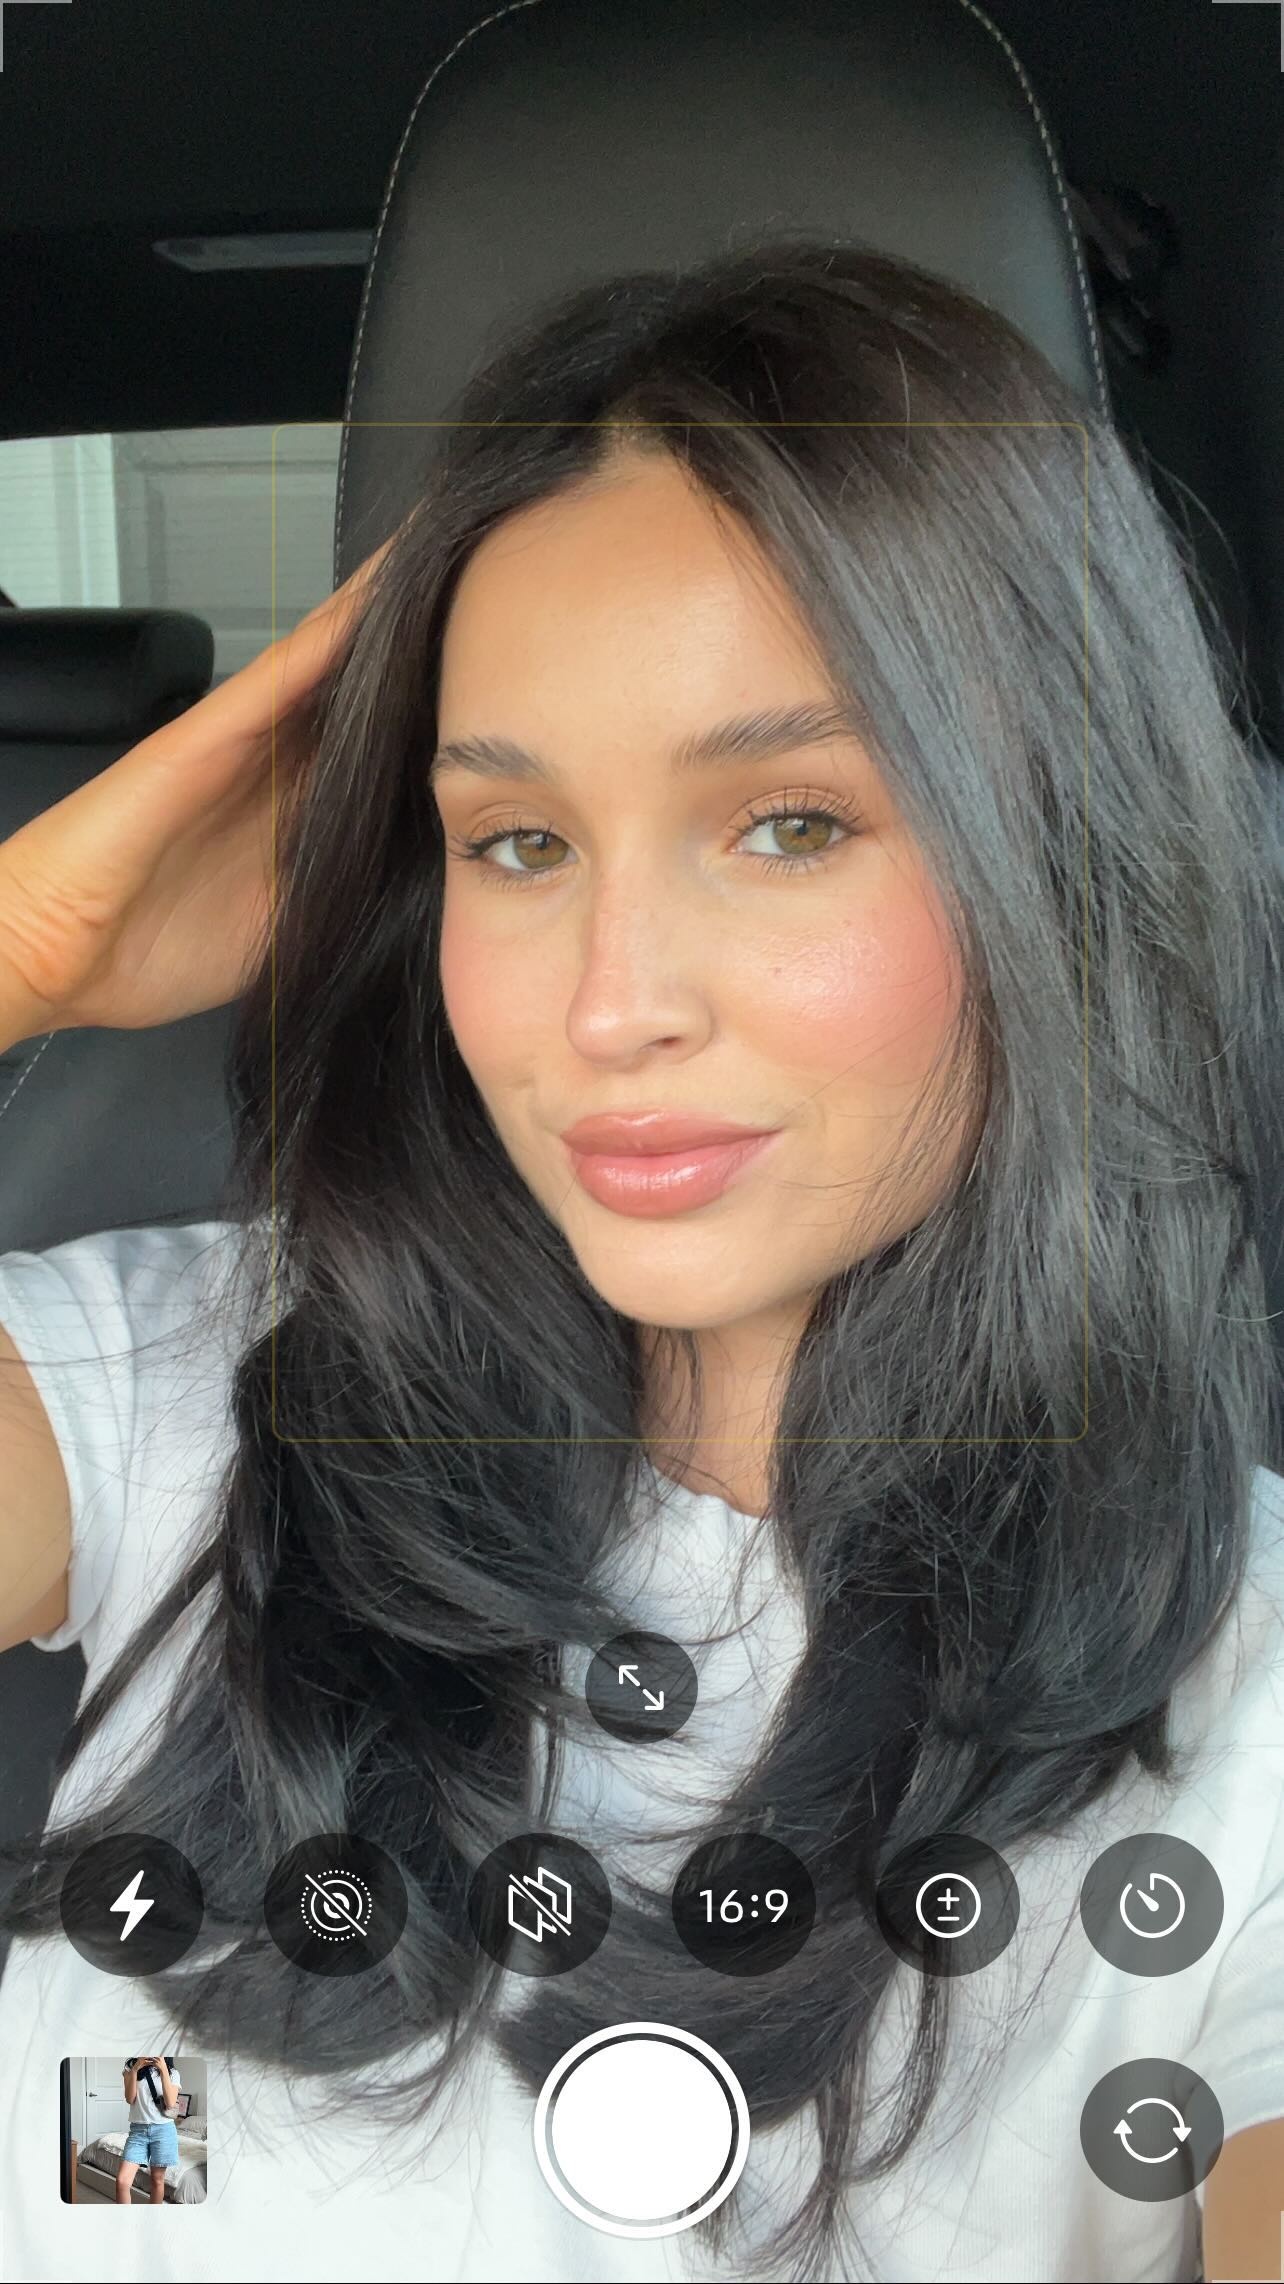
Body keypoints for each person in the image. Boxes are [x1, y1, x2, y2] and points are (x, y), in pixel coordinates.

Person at [0, 237, 1281, 2284]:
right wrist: (21, 951)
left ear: (1059, 848)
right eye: (516, 843)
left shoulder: (1251, 1713)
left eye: (788, 823)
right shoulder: (177, 1392)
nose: (609, 1005)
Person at [116, 2056, 181, 2205]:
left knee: (157, 2180)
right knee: (122, 2181)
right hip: (138, 2132)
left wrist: (163, 2069)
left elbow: (170, 2102)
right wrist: (135, 2070)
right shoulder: (130, 2068)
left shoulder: (173, 2073)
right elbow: (130, 2099)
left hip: (164, 2131)